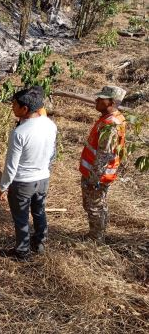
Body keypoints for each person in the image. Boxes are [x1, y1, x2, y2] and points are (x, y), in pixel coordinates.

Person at [0, 88, 57, 260]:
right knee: (39, 211)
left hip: (22, 183)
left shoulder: (19, 133)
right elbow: (52, 153)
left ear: (24, 109)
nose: (12, 107)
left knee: (21, 217)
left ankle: (22, 252)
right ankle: (39, 243)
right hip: (43, 179)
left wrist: (3, 187)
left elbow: (11, 165)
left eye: (14, 105)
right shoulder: (50, 125)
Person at [79, 85, 126, 242]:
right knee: (99, 205)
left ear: (111, 102)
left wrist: (94, 179)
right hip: (99, 173)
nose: (96, 100)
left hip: (98, 175)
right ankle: (99, 233)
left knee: (94, 206)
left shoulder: (111, 124)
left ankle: (95, 238)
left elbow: (104, 155)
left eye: (101, 99)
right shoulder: (113, 119)